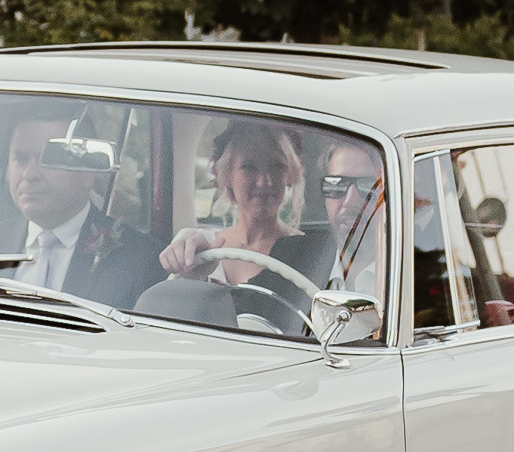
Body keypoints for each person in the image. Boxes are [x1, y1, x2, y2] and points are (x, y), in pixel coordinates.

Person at [160, 116, 384, 324]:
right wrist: (195, 275)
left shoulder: (305, 254)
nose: (264, 181)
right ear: (226, 174)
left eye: (276, 166)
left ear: (290, 175)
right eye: (249, 167)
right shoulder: (198, 244)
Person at [1, 111, 162, 309]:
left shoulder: (140, 260)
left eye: (49, 159)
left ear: (89, 173)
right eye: (21, 158)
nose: (30, 174)